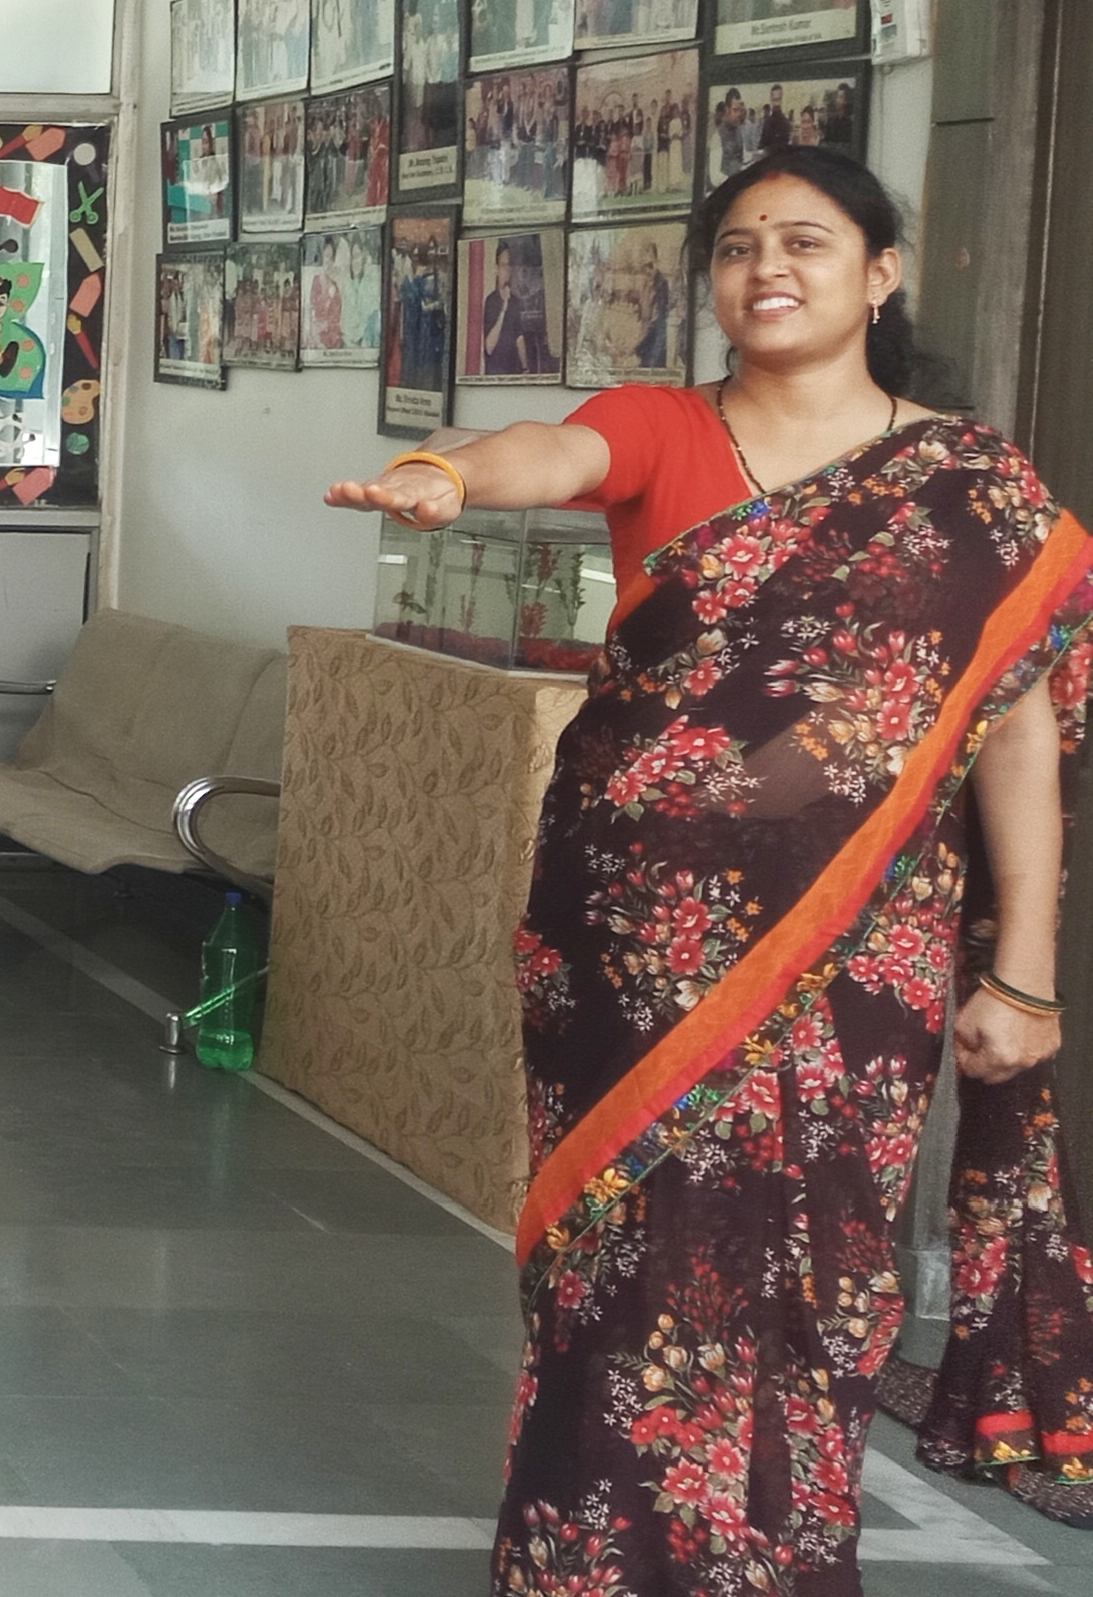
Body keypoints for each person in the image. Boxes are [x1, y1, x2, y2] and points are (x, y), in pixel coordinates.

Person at [327, 146, 1093, 1594]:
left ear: (881, 273)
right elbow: (553, 452)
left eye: (805, 241)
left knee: (822, 1262)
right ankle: (589, 1563)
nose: (767, 269)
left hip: (857, 954)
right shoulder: (664, 425)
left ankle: (779, 1560)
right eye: (738, 247)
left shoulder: (974, 491)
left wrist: (1026, 973)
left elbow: (1019, 736)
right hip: (627, 942)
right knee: (629, 1256)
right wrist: (446, 474)